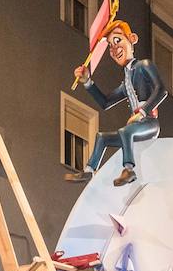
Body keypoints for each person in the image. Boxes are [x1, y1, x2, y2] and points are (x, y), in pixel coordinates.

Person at [68, 17, 167, 187]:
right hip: (135, 125)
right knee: (102, 137)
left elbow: (162, 90)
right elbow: (106, 102)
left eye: (118, 40)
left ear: (132, 39)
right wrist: (87, 82)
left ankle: (129, 169)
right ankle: (89, 171)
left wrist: (142, 112)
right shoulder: (126, 80)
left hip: (149, 123)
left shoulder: (144, 65)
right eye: (110, 46)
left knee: (125, 131)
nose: (114, 48)